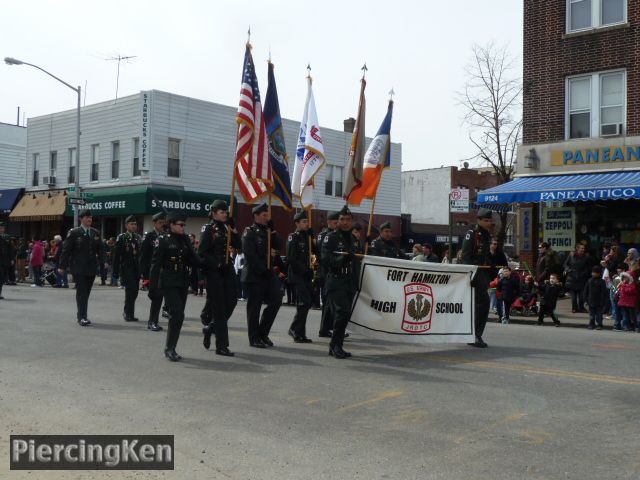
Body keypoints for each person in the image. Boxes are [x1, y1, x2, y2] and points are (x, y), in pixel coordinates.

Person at [149, 212, 201, 361]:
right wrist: (153, 287)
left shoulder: (184, 240)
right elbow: (155, 265)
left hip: (182, 282)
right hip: (168, 282)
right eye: (181, 224)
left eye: (184, 225)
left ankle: (172, 347)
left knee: (178, 316)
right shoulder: (163, 240)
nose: (183, 227)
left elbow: (194, 261)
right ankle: (170, 348)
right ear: (171, 225)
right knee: (177, 313)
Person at [199, 199, 240, 356]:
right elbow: (202, 252)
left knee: (232, 301)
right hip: (215, 272)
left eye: (226, 212)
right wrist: (216, 263)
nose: (225, 215)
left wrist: (234, 228)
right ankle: (222, 346)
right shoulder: (208, 229)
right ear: (214, 213)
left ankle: (210, 328)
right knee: (219, 309)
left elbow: (239, 246)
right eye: (222, 212)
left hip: (227, 270)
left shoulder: (227, 228)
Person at [241, 202, 282, 348]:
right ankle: (254, 337)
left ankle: (263, 333)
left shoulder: (268, 232)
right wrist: (263, 270)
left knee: (277, 300)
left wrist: (273, 230)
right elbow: (250, 256)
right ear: (256, 216)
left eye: (267, 215)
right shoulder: (249, 232)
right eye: (264, 215)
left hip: (268, 274)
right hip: (255, 275)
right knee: (254, 307)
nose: (266, 218)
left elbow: (278, 246)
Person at [322, 205, 358, 359]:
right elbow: (325, 259)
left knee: (345, 315)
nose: (345, 223)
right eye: (342, 219)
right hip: (335, 280)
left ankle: (336, 346)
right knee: (341, 313)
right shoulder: (331, 237)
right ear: (337, 221)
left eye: (348, 220)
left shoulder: (353, 239)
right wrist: (342, 259)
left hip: (349, 281)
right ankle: (335, 346)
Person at [59, 210, 105, 326]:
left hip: (91, 267)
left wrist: (103, 262)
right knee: (82, 292)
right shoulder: (74, 232)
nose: (89, 219)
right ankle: (82, 317)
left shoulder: (95, 232)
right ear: (81, 219)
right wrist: (62, 266)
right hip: (78, 268)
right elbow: (66, 250)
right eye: (87, 217)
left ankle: (82, 314)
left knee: (86, 292)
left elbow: (101, 250)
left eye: (90, 217)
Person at [460, 208, 493, 348]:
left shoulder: (487, 235)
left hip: (483, 274)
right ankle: (474, 335)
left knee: (481, 304)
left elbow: (487, 256)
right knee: (483, 302)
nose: (488, 223)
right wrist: (470, 275)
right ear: (478, 220)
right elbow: (466, 257)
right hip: (474, 273)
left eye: (490, 221)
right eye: (486, 220)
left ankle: (475, 334)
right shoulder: (472, 234)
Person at [287, 210, 314, 343]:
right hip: (298, 275)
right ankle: (294, 328)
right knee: (304, 303)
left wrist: (313, 239)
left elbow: (316, 252)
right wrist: (304, 270)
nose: (306, 224)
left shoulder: (307, 237)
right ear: (297, 223)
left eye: (307, 221)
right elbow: (291, 258)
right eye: (304, 222)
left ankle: (300, 333)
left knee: (304, 304)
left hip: (307, 275)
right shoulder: (294, 237)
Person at [139, 211, 167, 332]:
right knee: (155, 297)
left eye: (163, 223)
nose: (162, 225)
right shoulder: (149, 236)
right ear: (154, 223)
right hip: (152, 272)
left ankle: (154, 321)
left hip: (163, 273)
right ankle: (152, 322)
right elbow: (143, 256)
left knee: (159, 297)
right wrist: (144, 275)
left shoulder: (166, 236)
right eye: (160, 223)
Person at [112, 215, 142, 322]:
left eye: (135, 224)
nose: (134, 226)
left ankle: (131, 313)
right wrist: (115, 272)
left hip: (136, 269)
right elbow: (117, 256)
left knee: (135, 292)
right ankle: (127, 312)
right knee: (130, 291)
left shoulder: (137, 237)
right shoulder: (122, 237)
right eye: (131, 224)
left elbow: (140, 255)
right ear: (126, 225)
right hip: (126, 269)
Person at [317, 211, 339, 337]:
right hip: (325, 273)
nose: (337, 225)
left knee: (331, 302)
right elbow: (322, 256)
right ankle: (324, 329)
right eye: (335, 223)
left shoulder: (337, 235)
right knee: (327, 302)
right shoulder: (324, 235)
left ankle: (328, 327)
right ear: (329, 222)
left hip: (333, 272)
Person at [564, 244, 592, 313]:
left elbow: (589, 267)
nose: (583, 249)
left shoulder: (586, 257)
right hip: (572, 278)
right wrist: (568, 270)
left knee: (581, 296)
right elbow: (565, 264)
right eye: (581, 248)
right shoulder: (571, 255)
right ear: (577, 249)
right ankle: (574, 308)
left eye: (583, 248)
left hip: (582, 278)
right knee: (573, 297)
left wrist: (585, 272)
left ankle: (581, 308)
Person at [583, 265, 608, 330]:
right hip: (590, 300)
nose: (593, 274)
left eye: (595, 273)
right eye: (593, 272)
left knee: (599, 315)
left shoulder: (602, 281)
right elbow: (586, 290)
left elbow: (604, 292)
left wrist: (603, 301)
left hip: (599, 301)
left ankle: (599, 324)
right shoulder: (589, 280)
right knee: (591, 314)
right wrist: (585, 299)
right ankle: (591, 324)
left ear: (599, 273)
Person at [0, 221, 14, 299]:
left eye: (3, 228)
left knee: (2, 278)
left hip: (5, 261)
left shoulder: (6, 237)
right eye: (0, 228)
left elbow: (10, 249)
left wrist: (11, 259)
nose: (2, 229)